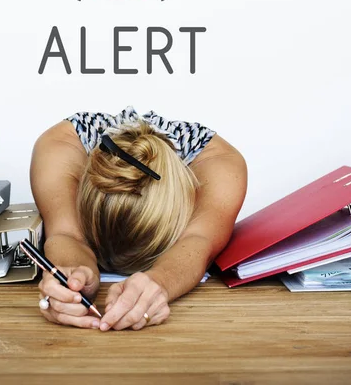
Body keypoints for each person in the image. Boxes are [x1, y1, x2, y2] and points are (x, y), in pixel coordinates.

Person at [30, 106, 247, 332]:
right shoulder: (57, 148)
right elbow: (67, 234)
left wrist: (160, 282)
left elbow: (198, 241)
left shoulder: (223, 166)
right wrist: (73, 273)